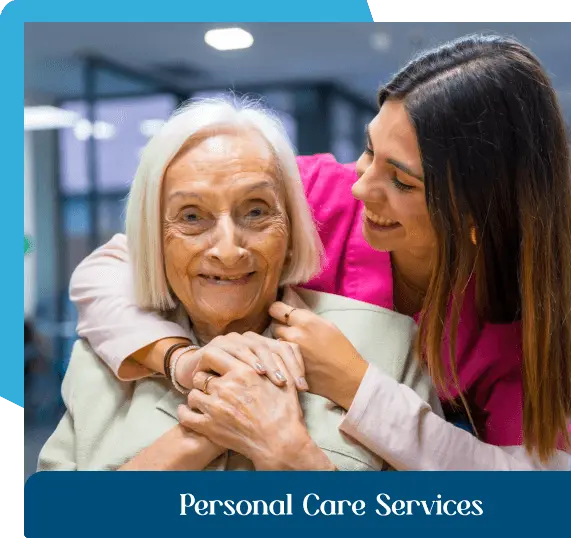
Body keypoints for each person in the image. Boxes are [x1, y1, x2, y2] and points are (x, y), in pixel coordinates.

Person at [68, 34, 571, 470]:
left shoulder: (514, 323)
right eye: (370, 149)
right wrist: (180, 361)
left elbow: (535, 494)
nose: (360, 187)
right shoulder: (315, 194)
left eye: (400, 180)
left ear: (473, 216)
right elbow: (112, 265)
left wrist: (358, 386)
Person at [37, 97, 440, 471]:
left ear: (291, 230)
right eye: (192, 217)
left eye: (256, 211)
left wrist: (290, 455)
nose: (229, 250)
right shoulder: (104, 360)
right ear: (153, 237)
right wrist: (195, 437)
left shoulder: (389, 344)